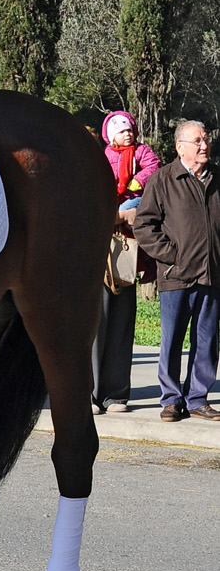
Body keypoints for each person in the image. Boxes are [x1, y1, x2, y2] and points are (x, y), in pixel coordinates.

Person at [133, 120, 220, 421]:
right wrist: (172, 256)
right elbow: (144, 224)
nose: (204, 145)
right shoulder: (163, 179)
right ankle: (171, 400)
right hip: (176, 276)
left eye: (206, 139)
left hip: (211, 274)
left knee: (206, 341)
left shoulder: (217, 178)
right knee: (171, 341)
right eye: (197, 141)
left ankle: (197, 399)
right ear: (180, 146)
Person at [92, 112, 160, 414]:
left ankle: (116, 395)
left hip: (128, 251)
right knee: (95, 324)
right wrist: (115, 215)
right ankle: (89, 394)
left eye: (131, 130)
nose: (128, 135)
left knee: (121, 323)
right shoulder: (97, 160)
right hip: (95, 253)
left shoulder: (143, 156)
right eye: (122, 131)